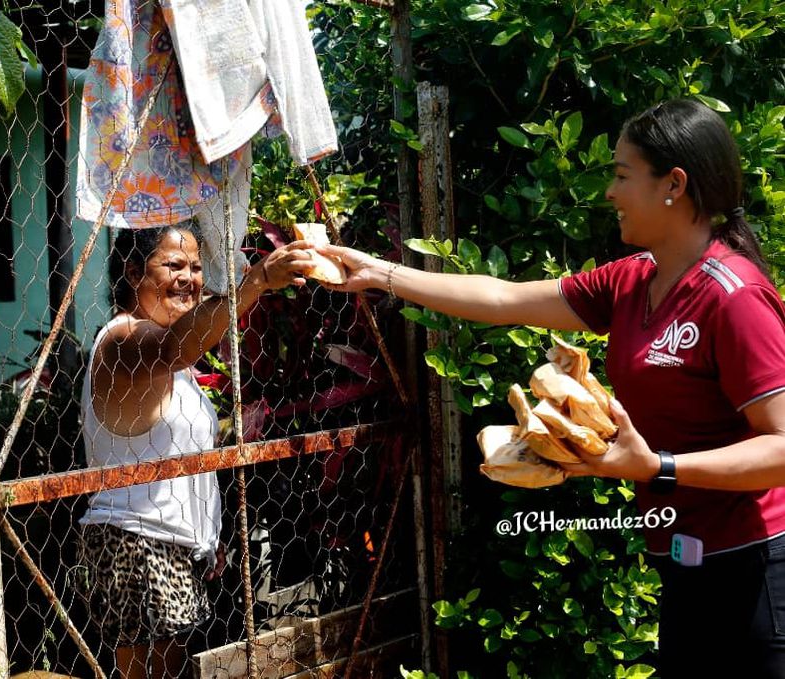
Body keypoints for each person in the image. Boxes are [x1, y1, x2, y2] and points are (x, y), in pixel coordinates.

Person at [317, 99, 785, 678]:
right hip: (681, 558)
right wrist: (381, 273)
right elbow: (505, 299)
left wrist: (657, 467)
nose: (609, 193)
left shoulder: (733, 298)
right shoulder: (633, 279)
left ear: (675, 184)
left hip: (752, 569)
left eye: (620, 175)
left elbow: (781, 450)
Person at [76, 223, 314, 679]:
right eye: (173, 265)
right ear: (132, 272)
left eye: (197, 267)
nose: (189, 277)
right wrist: (258, 279)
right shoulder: (123, 339)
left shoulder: (174, 361)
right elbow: (173, 348)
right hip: (135, 545)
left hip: (169, 545)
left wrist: (206, 532)